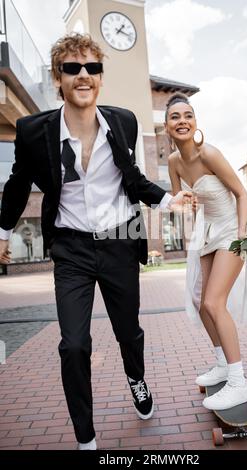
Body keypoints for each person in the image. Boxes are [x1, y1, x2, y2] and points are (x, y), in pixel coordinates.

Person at [0, 34, 192, 450]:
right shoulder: (34, 131)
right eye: (72, 68)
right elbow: (17, 186)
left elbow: (134, 178)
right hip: (71, 248)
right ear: (59, 77)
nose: (83, 75)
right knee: (73, 345)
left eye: (92, 67)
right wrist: (2, 231)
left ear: (101, 77)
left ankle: (136, 378)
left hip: (120, 239)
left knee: (128, 332)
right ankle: (85, 436)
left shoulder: (123, 121)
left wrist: (166, 198)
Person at [165, 93, 247, 411]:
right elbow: (181, 201)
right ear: (167, 127)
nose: (182, 120)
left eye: (188, 115)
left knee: (215, 303)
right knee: (200, 303)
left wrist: (242, 235)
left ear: (195, 122)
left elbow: (241, 194)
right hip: (206, 232)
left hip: (231, 230)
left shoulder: (210, 154)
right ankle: (221, 364)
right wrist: (181, 203)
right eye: (175, 116)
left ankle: (239, 382)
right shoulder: (173, 162)